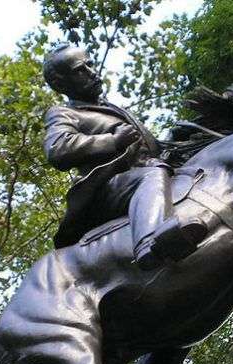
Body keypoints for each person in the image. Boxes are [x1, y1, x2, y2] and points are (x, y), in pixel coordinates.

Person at [42, 44, 206, 270]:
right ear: (62, 84)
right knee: (152, 175)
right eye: (80, 69)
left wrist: (174, 140)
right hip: (108, 191)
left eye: (90, 64)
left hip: (144, 175)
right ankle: (149, 243)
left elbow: (146, 153)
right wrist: (113, 141)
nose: (92, 72)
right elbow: (58, 148)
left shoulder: (110, 108)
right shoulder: (63, 113)